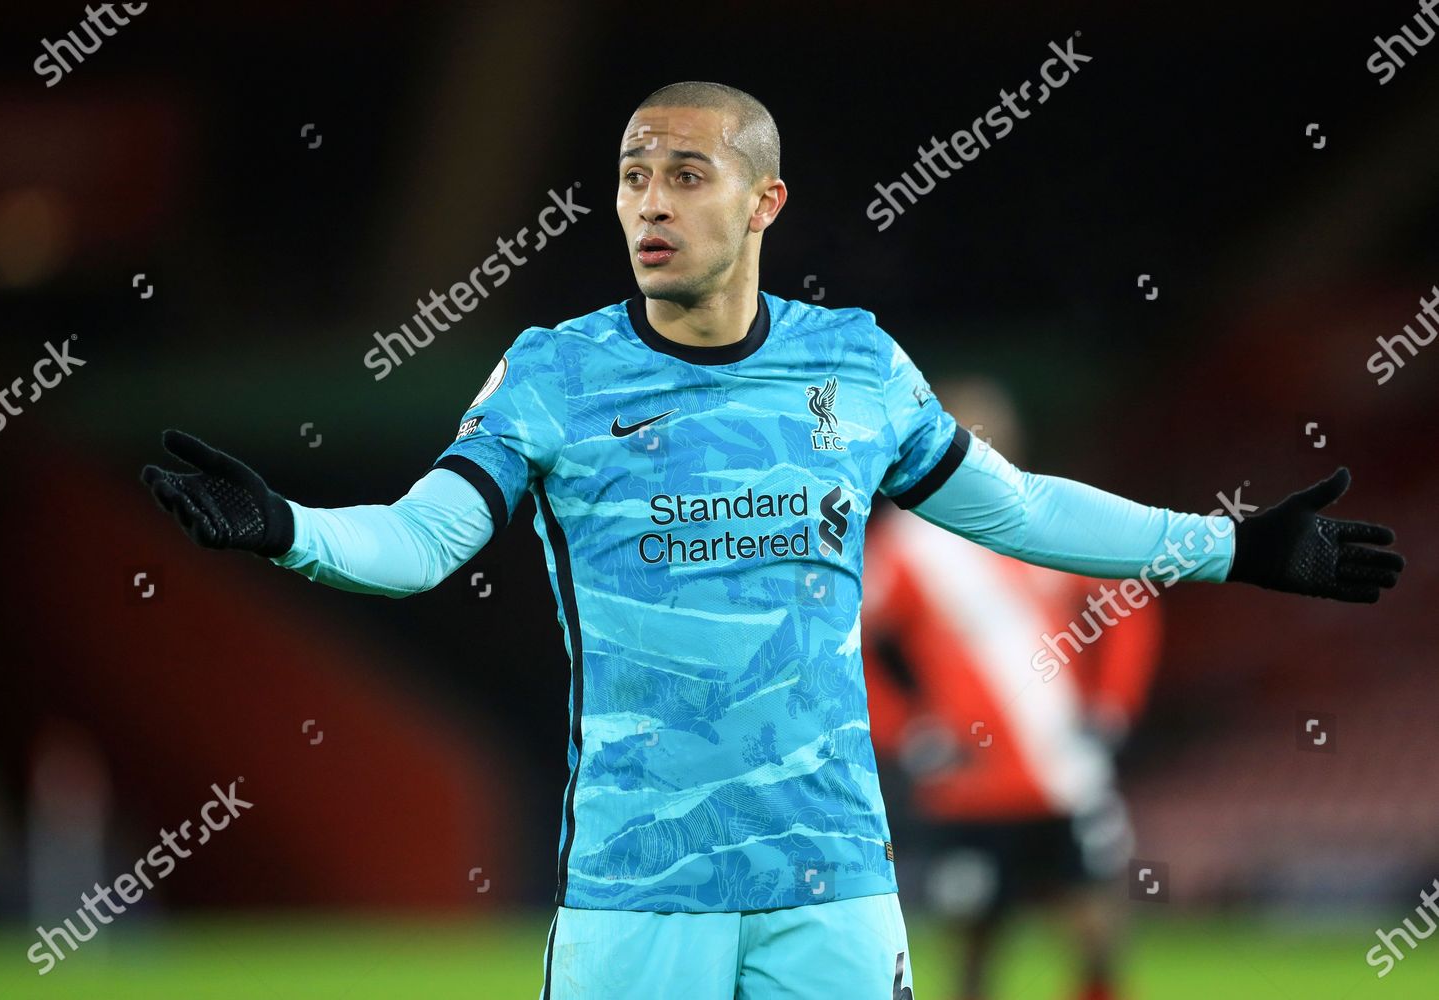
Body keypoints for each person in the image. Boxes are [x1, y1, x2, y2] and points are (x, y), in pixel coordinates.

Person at [140, 81, 1404, 1000]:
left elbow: (1018, 511)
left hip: (834, 881)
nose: (650, 201)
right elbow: (425, 539)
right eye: (634, 173)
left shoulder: (852, 365)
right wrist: (291, 530)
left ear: (765, 201)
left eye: (687, 173)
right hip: (636, 893)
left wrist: (1232, 545)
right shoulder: (552, 374)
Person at [863, 378, 1159, 1000]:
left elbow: (1130, 607)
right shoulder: (911, 543)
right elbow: (848, 642)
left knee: (1097, 935)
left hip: (1063, 774)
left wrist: (1112, 709)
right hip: (968, 787)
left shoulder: (1047, 517)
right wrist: (907, 730)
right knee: (974, 948)